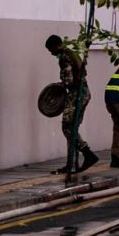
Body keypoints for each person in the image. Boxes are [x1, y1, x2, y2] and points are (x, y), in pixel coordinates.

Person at [45, 35, 99, 173]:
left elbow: (68, 80)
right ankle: (71, 164)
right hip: (83, 93)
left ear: (56, 46)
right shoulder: (73, 54)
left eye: (51, 50)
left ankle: (88, 154)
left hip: (77, 94)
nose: (51, 53)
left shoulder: (64, 57)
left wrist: (60, 85)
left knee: (68, 127)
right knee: (72, 127)